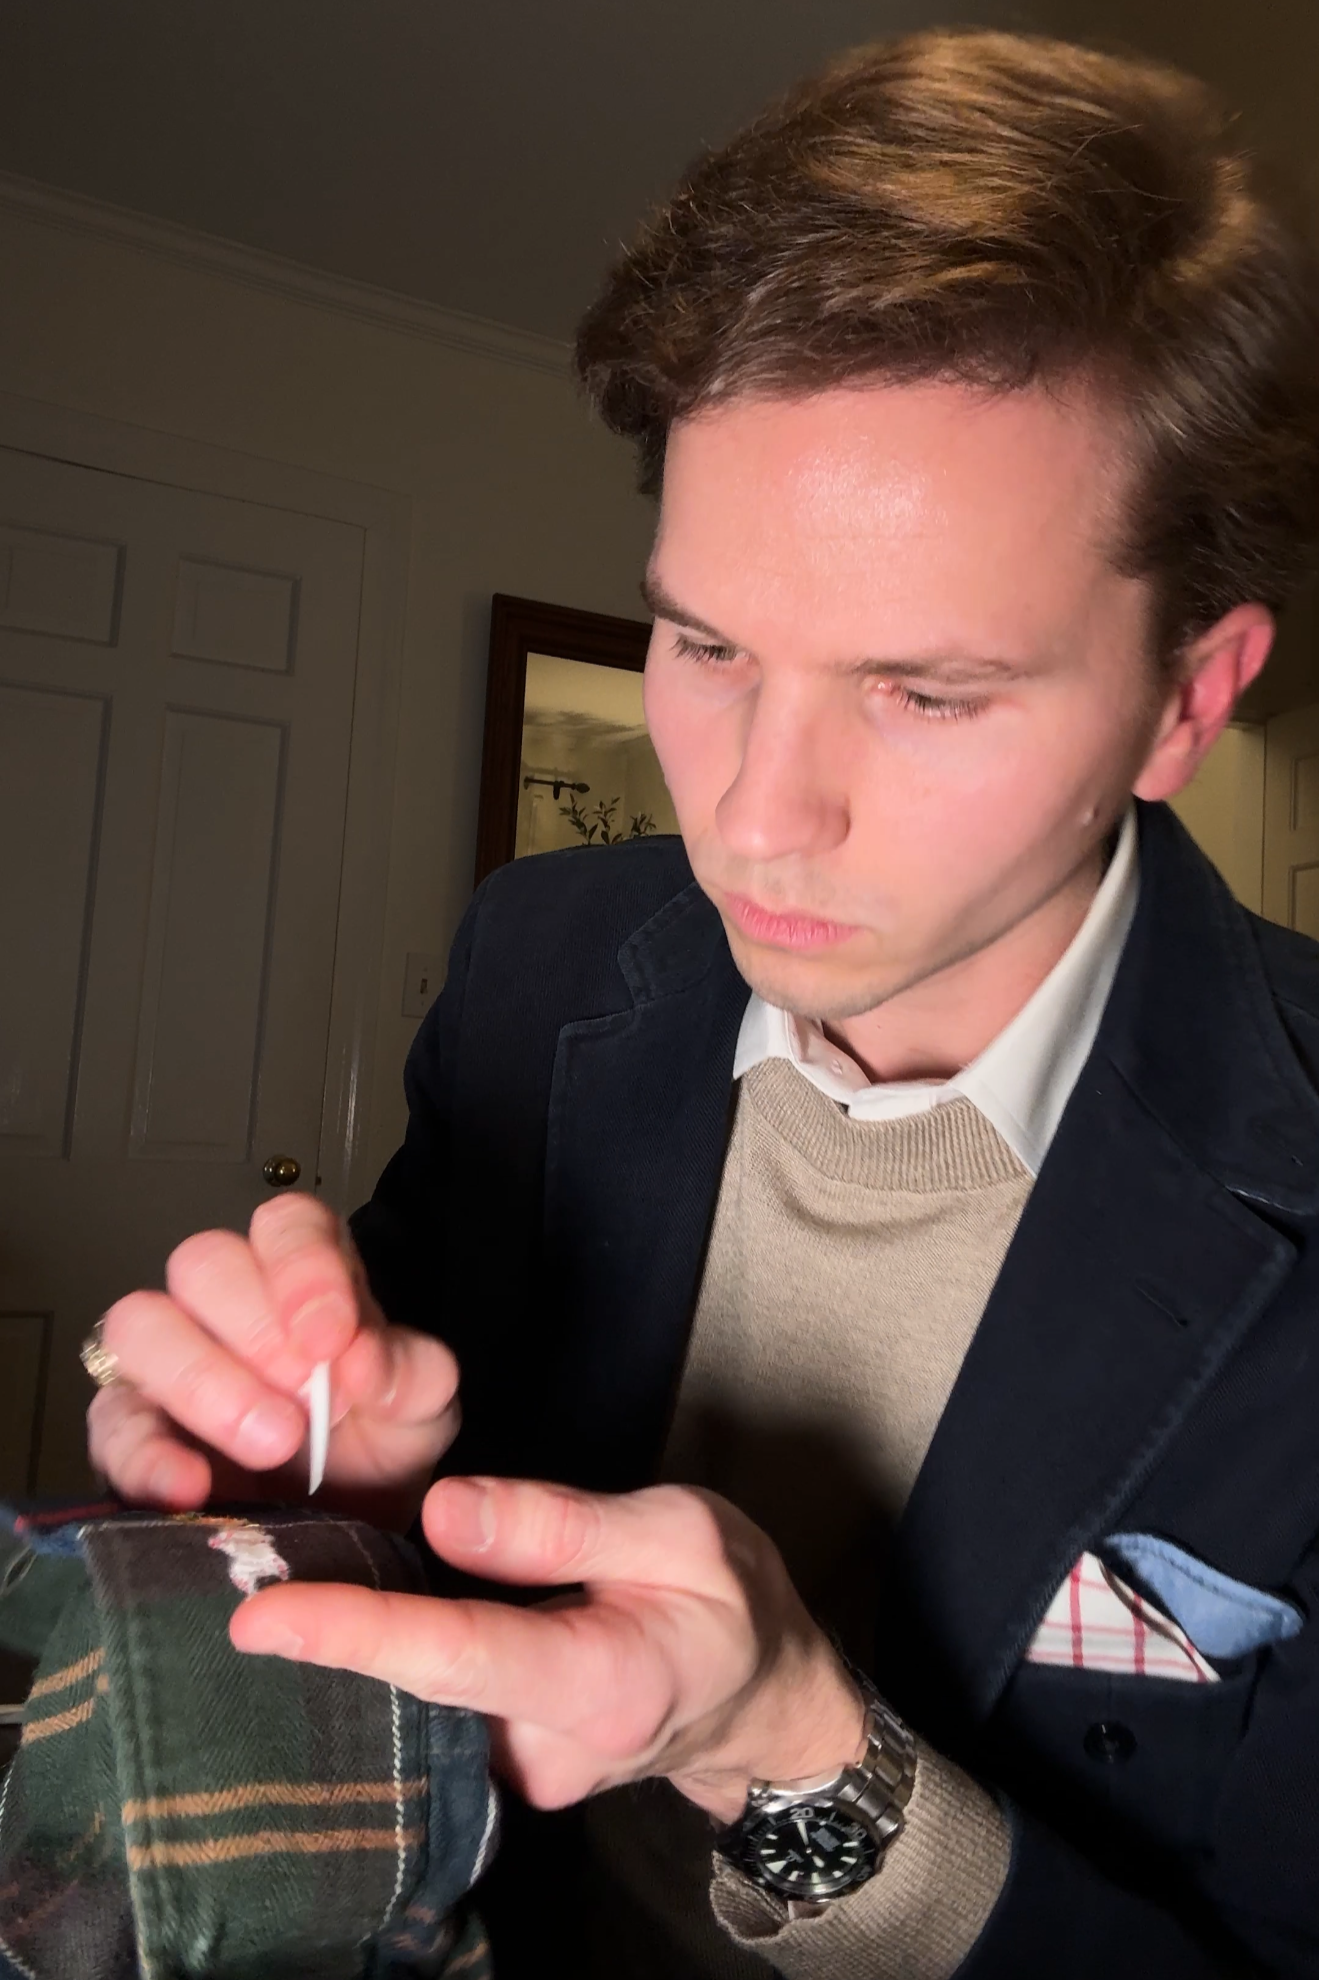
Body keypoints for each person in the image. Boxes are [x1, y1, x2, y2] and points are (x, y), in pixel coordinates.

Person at [81, 28, 1319, 1979]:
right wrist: (319, 1478)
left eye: (923, 690)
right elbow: (417, 1529)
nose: (751, 816)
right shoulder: (539, 965)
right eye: (703, 640)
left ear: (1182, 697)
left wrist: (788, 1750)